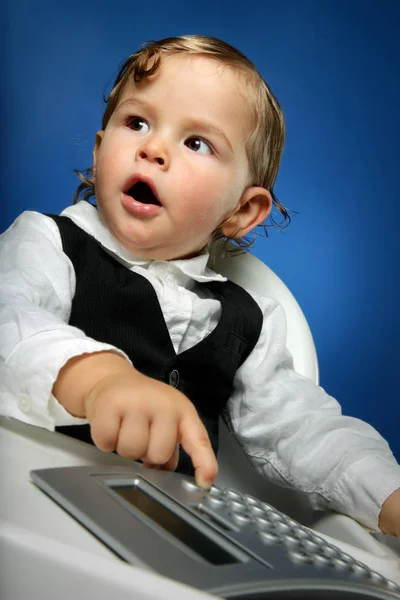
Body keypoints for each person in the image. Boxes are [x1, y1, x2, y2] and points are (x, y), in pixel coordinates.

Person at [1, 35, 399, 537]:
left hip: (175, 540)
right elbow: (10, 320)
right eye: (136, 122)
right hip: (33, 513)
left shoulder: (248, 322)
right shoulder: (46, 242)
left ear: (242, 211)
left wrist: (387, 493)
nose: (152, 148)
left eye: (196, 142)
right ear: (101, 152)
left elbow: (303, 430)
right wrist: (98, 379)